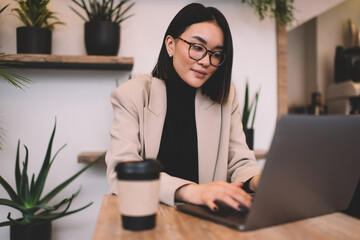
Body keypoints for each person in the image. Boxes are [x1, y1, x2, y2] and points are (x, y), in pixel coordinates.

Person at [106, 3, 262, 212]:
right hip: (152, 214)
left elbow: (239, 160)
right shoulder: (132, 95)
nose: (206, 61)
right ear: (170, 45)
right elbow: (120, 172)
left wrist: (257, 180)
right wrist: (190, 191)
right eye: (197, 47)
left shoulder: (226, 97)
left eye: (216, 54)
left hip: (207, 218)